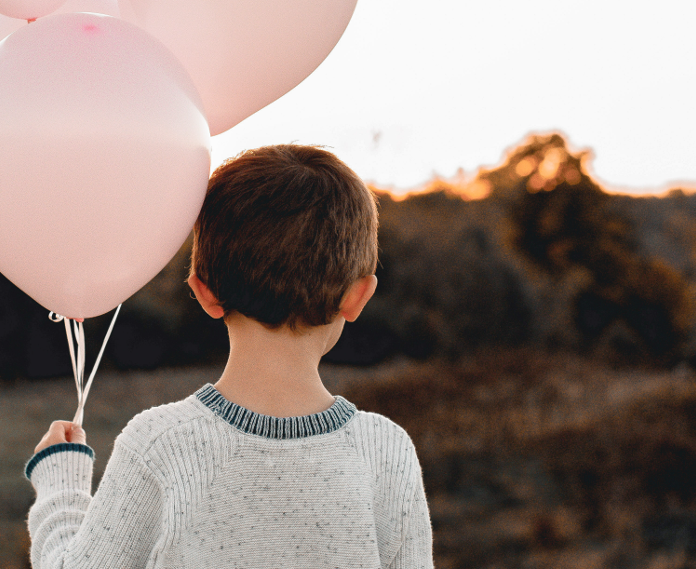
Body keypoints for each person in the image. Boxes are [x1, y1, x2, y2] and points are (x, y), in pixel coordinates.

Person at [24, 144, 433, 569]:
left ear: (204, 292)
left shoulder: (161, 445)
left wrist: (62, 485)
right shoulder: (385, 451)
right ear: (358, 296)